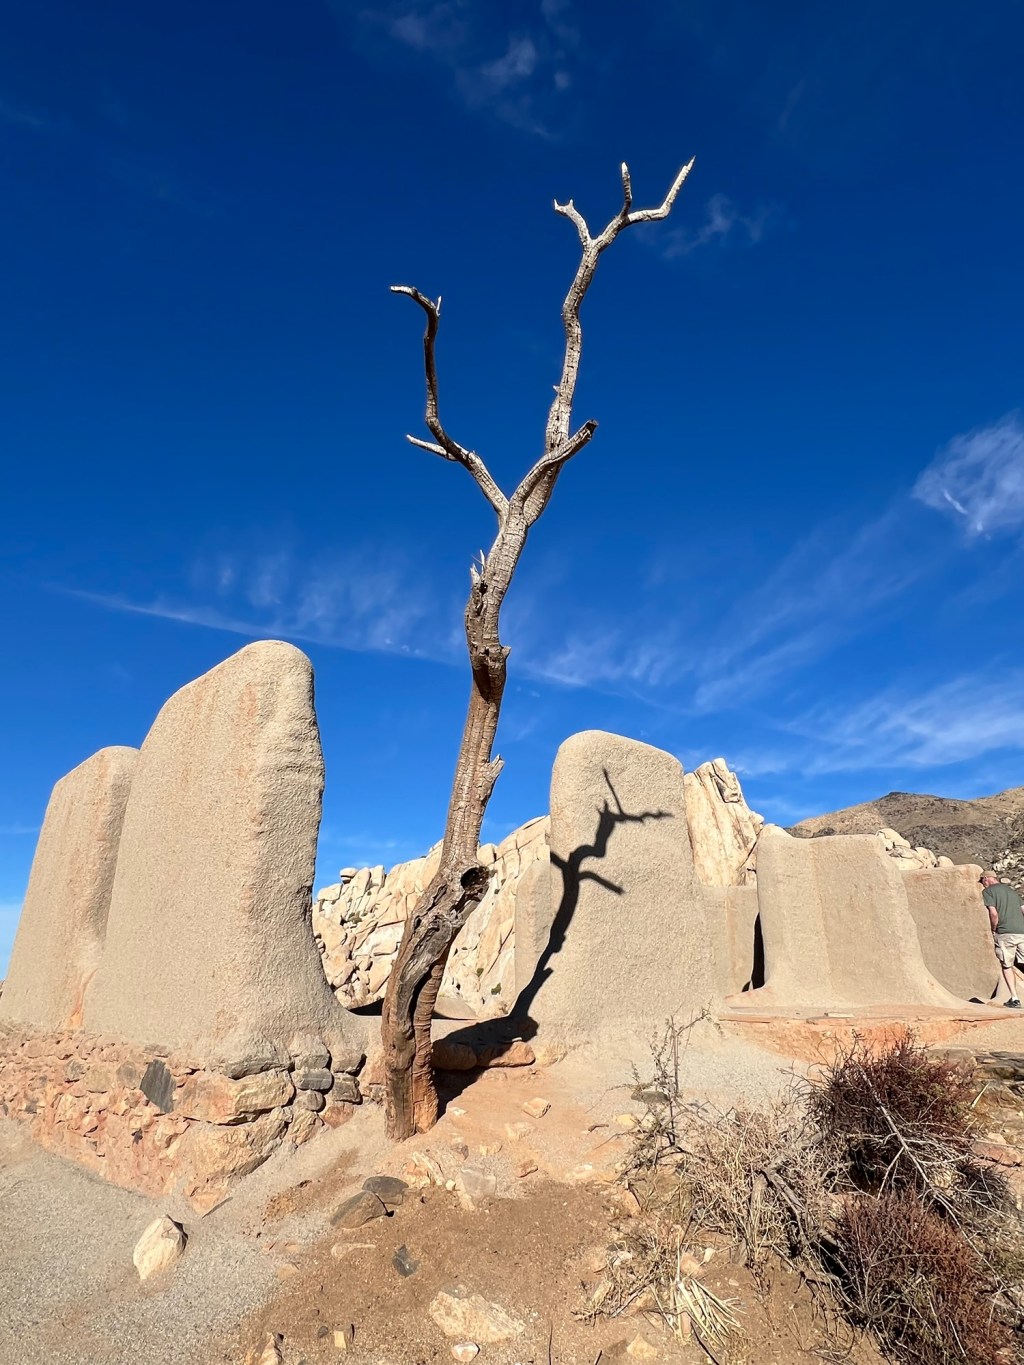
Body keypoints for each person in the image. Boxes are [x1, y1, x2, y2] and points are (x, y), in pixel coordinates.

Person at [981, 872, 1024, 1009]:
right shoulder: (1011, 892)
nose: (983, 883)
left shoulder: (988, 892)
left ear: (987, 879)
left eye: (982, 880)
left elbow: (993, 913)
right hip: (1022, 932)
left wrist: (994, 928)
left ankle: (1015, 999)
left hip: (1005, 933)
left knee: (1007, 965)